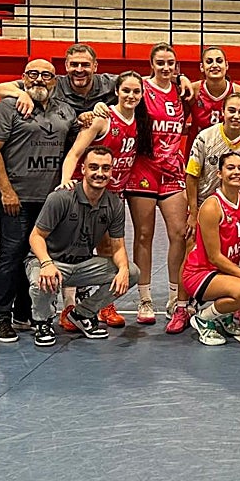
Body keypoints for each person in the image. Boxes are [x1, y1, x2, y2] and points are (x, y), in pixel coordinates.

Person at [0, 58, 78, 342]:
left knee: (37, 256)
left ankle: (26, 313)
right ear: (23, 77)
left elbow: (75, 146)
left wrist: (87, 118)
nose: (39, 79)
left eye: (46, 75)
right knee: (11, 254)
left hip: (50, 200)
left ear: (55, 80)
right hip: (17, 197)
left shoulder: (65, 111)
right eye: (33, 74)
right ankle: (2, 316)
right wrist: (6, 191)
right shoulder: (9, 107)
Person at [24, 145, 137, 346]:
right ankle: (42, 322)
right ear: (83, 169)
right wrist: (46, 263)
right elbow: (36, 237)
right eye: (93, 167)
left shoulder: (115, 204)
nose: (99, 173)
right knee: (39, 279)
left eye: (105, 168)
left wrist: (123, 269)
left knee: (132, 272)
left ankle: (82, 314)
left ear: (112, 171)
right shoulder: (61, 197)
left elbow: (118, 247)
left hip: (83, 264)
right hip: (51, 261)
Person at [57, 71, 143, 331]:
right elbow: (74, 153)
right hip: (84, 194)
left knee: (109, 248)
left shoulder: (139, 120)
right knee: (75, 249)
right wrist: (64, 183)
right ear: (116, 91)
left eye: (136, 91)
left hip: (114, 195)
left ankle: (103, 305)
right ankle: (68, 306)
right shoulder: (102, 119)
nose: (130, 95)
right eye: (126, 90)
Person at [183, 92, 240, 334]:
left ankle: (234, 308)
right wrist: (193, 210)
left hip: (239, 203)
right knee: (193, 250)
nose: (236, 115)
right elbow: (192, 174)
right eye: (232, 110)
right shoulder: (205, 137)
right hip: (208, 204)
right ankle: (184, 306)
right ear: (222, 112)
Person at [128, 43, 191, 325]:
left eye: (171, 63)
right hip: (143, 168)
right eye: (161, 63)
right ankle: (144, 298)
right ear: (151, 64)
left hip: (173, 170)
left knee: (179, 234)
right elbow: (117, 98)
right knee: (144, 234)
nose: (166, 68)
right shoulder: (140, 88)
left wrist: (185, 79)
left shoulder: (183, 91)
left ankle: (176, 298)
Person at [185, 152, 240, 346]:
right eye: (230, 168)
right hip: (202, 274)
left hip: (227, 271)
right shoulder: (212, 206)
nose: (237, 172)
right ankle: (203, 318)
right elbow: (214, 257)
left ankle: (224, 314)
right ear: (219, 174)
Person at [188, 47, 240, 146]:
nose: (214, 65)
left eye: (219, 61)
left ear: (226, 65)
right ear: (201, 67)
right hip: (198, 151)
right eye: (209, 61)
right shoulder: (193, 91)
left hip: (228, 152)